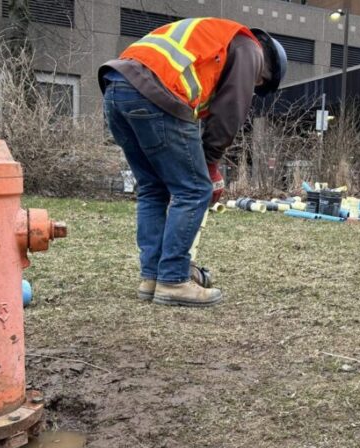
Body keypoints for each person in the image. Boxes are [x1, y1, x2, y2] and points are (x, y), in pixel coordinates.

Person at [98, 18, 287, 306]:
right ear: (267, 68)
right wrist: (209, 165)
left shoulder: (213, 37)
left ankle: (152, 278)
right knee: (194, 189)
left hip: (117, 88)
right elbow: (230, 109)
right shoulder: (250, 48)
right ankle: (173, 280)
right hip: (156, 92)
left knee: (153, 188)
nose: (253, 85)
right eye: (258, 83)